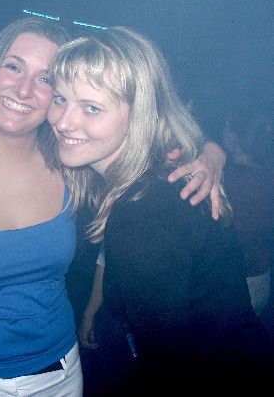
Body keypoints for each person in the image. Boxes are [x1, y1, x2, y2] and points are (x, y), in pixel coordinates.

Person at [0, 17, 226, 396]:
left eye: (45, 78)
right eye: (14, 67)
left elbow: (146, 147)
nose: (24, 89)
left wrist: (210, 153)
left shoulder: (73, 167)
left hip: (62, 375)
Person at [48, 26, 274, 392]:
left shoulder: (145, 213)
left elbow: (169, 365)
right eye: (60, 99)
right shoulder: (155, 176)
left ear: (139, 116)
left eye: (91, 108)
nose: (62, 121)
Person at [223, 111, 274, 316]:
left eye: (226, 128)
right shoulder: (268, 173)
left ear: (234, 137)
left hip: (240, 281)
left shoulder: (231, 179)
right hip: (263, 277)